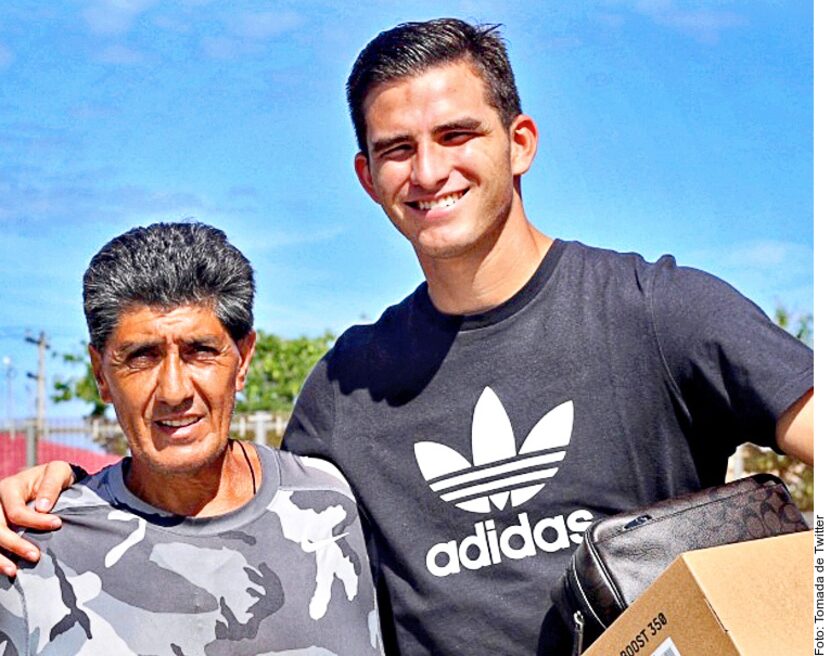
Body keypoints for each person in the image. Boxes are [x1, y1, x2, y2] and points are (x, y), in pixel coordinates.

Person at [0, 18, 813, 656]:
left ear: (519, 142)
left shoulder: (655, 312)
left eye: (456, 135)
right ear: (367, 176)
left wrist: (785, 620)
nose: (428, 172)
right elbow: (236, 508)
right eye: (397, 149)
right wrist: (69, 491)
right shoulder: (345, 388)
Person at [0, 223, 383, 655]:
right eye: (141, 357)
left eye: (200, 350)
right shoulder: (31, 552)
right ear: (100, 374)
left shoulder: (335, 507)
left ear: (242, 360)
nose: (174, 390)